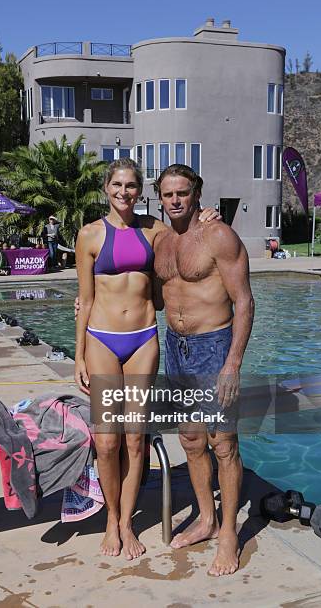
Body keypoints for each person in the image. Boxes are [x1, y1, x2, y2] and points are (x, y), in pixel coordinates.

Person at [74, 158, 218, 561]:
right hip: (102, 339)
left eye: (132, 185)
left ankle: (125, 524)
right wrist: (79, 355)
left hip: (143, 339)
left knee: (135, 438)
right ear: (106, 187)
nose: (124, 191)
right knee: (106, 441)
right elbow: (84, 300)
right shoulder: (88, 235)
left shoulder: (154, 230)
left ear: (140, 191)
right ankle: (110, 517)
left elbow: (188, 235)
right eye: (118, 184)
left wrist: (208, 216)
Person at [154, 164, 254, 577]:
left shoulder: (219, 235)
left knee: (223, 443)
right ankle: (206, 517)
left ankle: (229, 532)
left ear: (196, 194)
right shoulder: (159, 241)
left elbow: (244, 303)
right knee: (192, 441)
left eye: (182, 192)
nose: (175, 200)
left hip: (213, 348)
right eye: (167, 194)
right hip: (175, 348)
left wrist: (232, 363)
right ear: (158, 198)